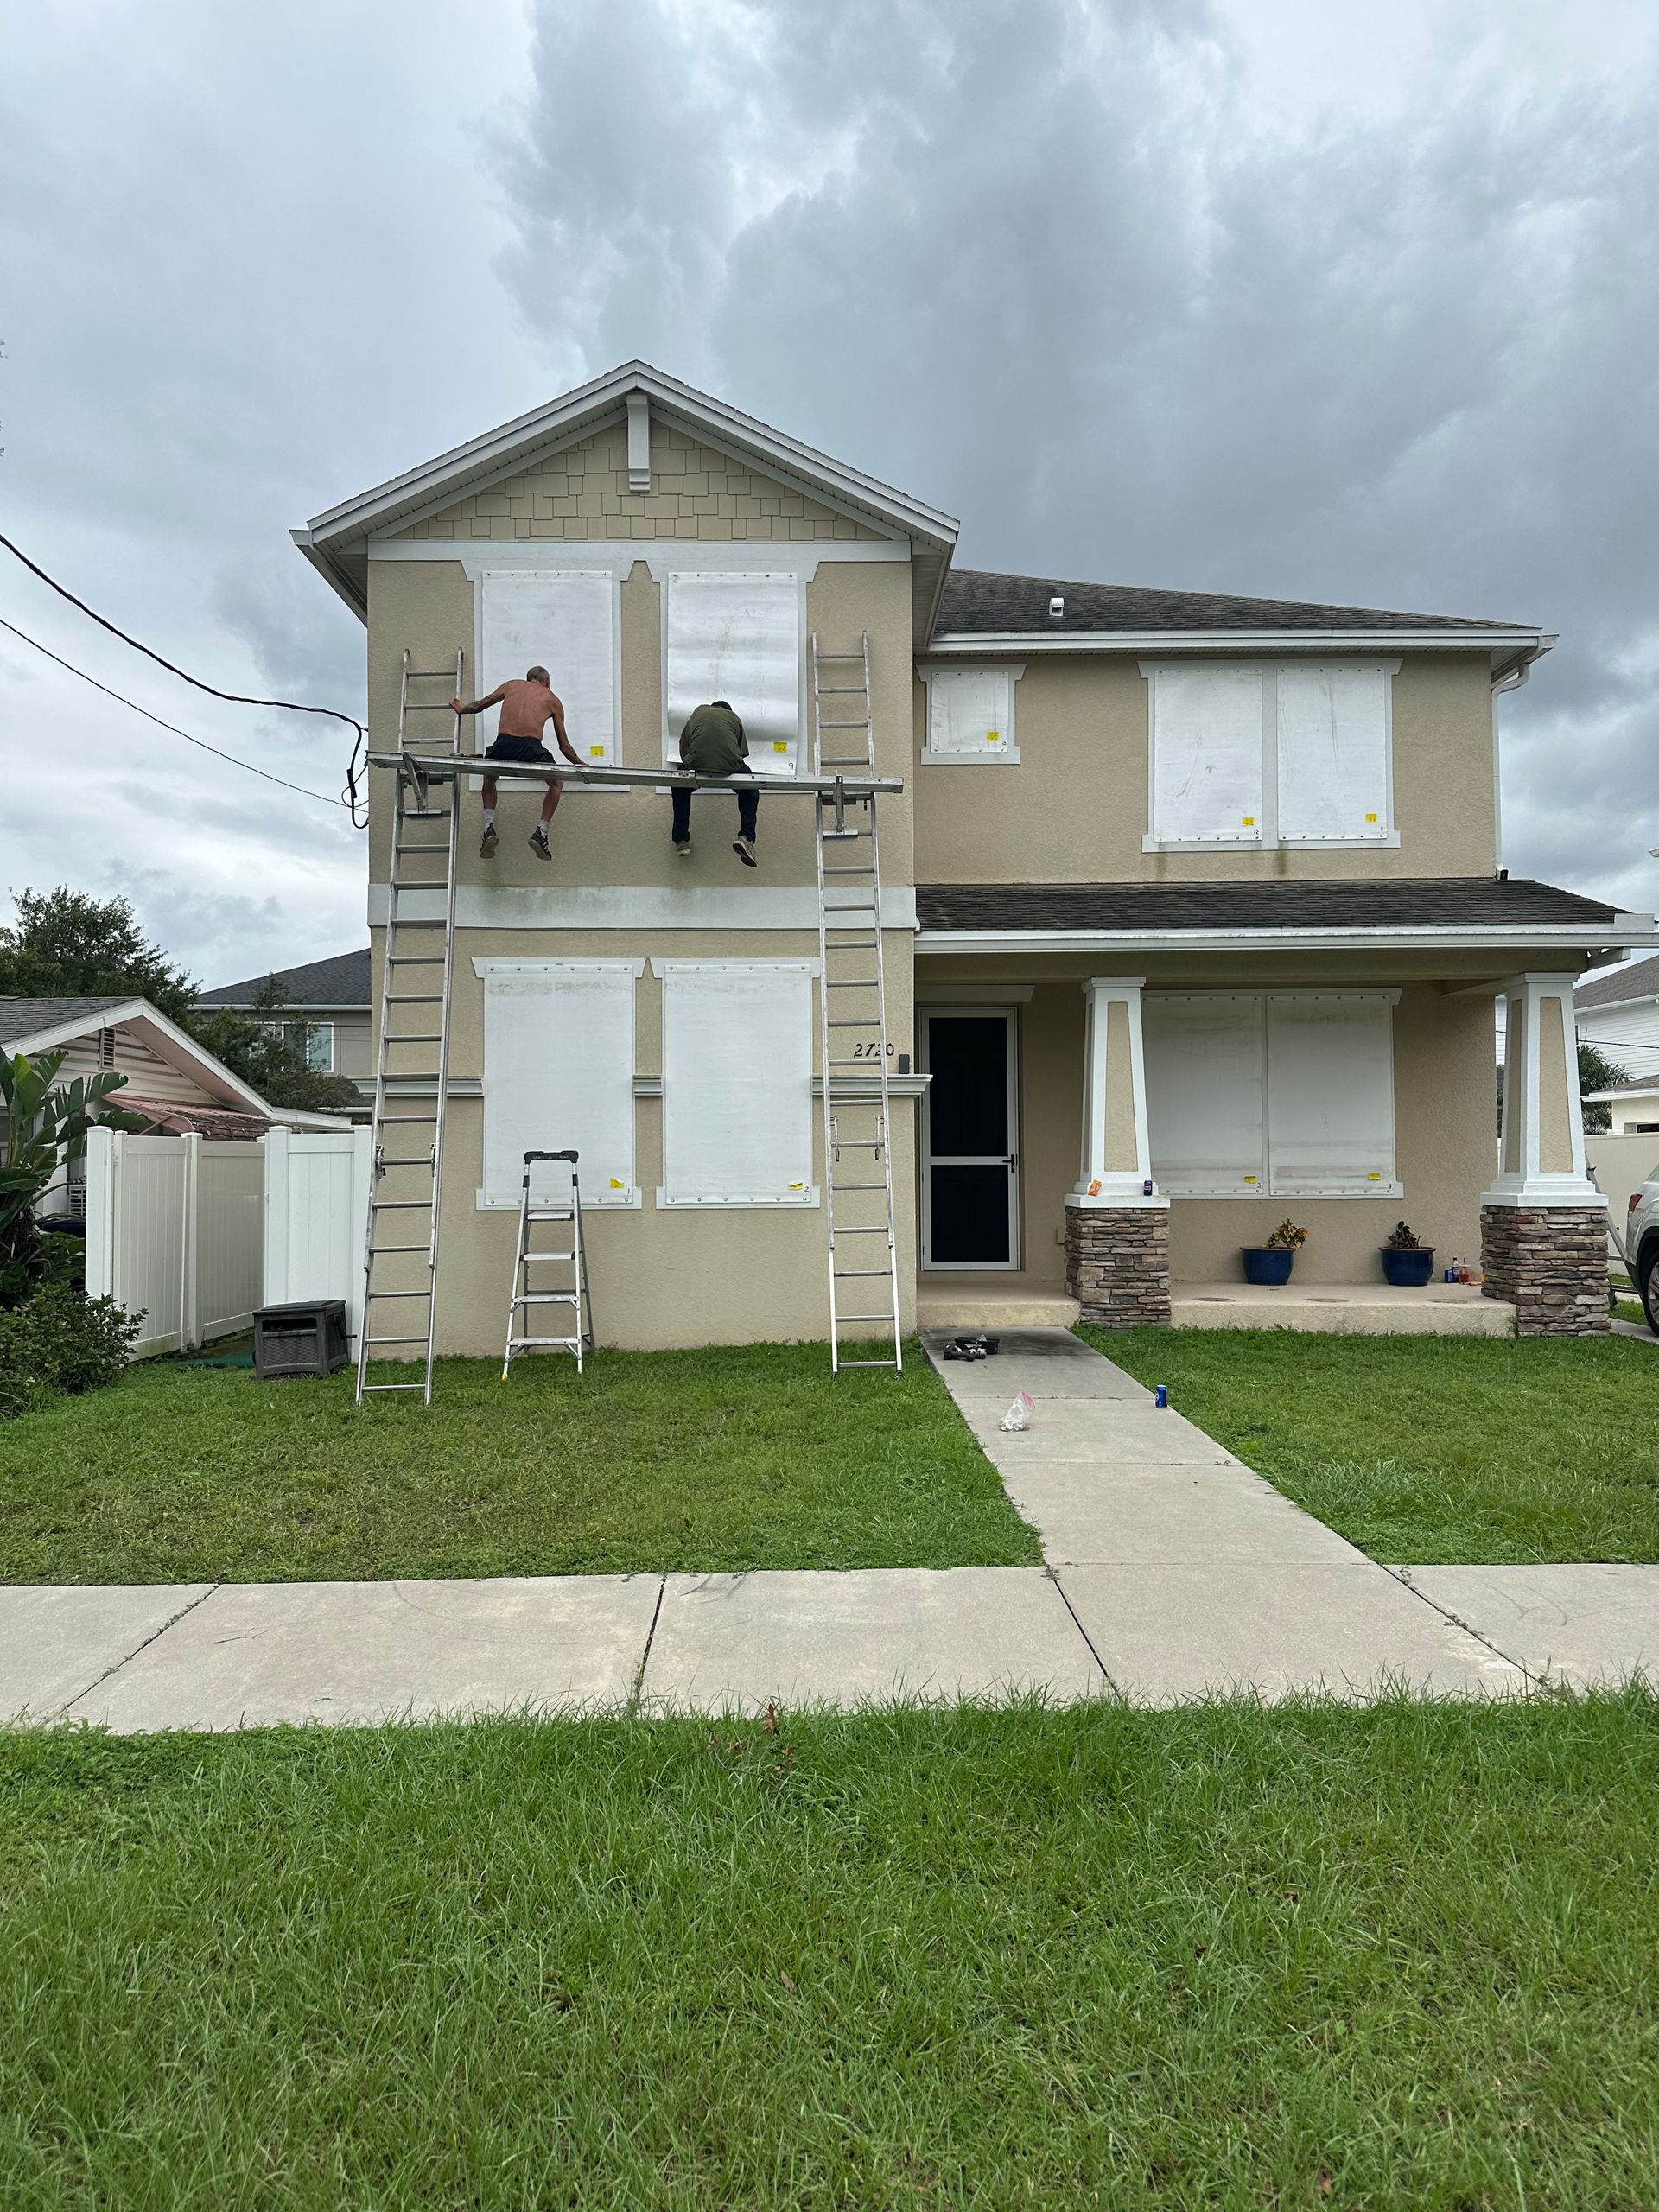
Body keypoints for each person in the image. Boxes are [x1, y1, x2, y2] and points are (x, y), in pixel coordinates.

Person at [450, 667, 582, 861]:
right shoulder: (552, 698)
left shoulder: (511, 685)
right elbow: (564, 746)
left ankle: (488, 828)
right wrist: (581, 765)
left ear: (528, 679)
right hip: (531, 747)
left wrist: (462, 709)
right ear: (547, 682)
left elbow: (480, 705)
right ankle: (541, 833)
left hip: (503, 744)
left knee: (489, 777)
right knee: (556, 783)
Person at [673, 699, 758, 868]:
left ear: (712, 707)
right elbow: (742, 754)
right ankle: (746, 837)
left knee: (679, 786)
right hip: (729, 764)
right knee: (749, 789)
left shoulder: (698, 712)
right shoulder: (734, 718)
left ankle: (681, 840)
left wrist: (688, 766)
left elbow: (683, 743)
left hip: (696, 761)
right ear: (728, 710)